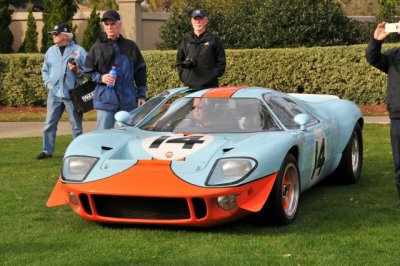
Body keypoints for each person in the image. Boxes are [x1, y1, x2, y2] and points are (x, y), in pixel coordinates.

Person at [84, 9, 147, 130]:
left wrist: (141, 95)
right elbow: (87, 71)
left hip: (128, 101)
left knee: (129, 136)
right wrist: (101, 77)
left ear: (120, 24)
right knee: (104, 138)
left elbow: (141, 71)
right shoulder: (97, 47)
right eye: (106, 24)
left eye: (112, 23)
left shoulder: (131, 46)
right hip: (105, 100)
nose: (109, 27)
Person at [36, 23, 86, 160]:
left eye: (55, 34)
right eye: (53, 34)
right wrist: (47, 84)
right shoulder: (50, 51)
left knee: (76, 125)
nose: (53, 36)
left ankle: (78, 151)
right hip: (54, 93)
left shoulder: (79, 51)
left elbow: (88, 72)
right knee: (49, 123)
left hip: (73, 94)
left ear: (65, 36)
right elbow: (44, 70)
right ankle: (47, 151)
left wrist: (77, 71)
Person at [366, 21, 400, 201]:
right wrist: (376, 41)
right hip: (398, 118)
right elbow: (373, 58)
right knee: (399, 165)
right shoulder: (393, 55)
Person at [176, 9, 226, 90]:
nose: (198, 22)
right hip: (189, 86)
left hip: (209, 87)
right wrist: (183, 76)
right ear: (192, 21)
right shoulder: (186, 39)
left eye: (200, 19)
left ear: (206, 21)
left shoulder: (213, 39)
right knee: (192, 103)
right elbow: (179, 60)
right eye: (195, 19)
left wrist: (213, 75)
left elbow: (221, 60)